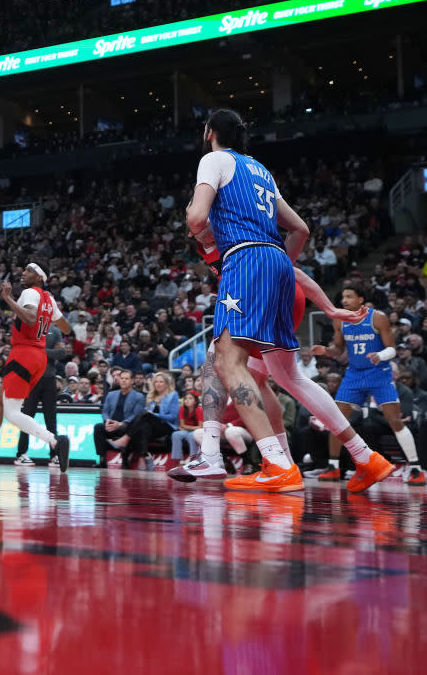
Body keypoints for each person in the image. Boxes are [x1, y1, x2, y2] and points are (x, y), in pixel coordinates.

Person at [185, 108, 391, 493]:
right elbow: (300, 228)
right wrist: (293, 281)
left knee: (228, 363)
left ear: (210, 132)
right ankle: (365, 457)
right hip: (279, 268)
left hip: (250, 265)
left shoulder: (213, 160)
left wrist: (197, 224)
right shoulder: (261, 170)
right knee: (284, 376)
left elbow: (197, 217)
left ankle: (272, 463)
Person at [309, 284, 424, 485]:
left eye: (349, 296)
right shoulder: (340, 320)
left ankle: (415, 468)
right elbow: (338, 349)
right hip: (354, 374)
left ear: (360, 299)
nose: (344, 300)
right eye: (343, 296)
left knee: (394, 420)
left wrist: (380, 355)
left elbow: (392, 349)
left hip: (379, 374)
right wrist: (326, 351)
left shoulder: (377, 317)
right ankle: (333, 467)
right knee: (336, 420)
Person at [0, 263, 72, 469]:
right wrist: (47, 322)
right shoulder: (48, 299)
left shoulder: (30, 293)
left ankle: (54, 441)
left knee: (12, 412)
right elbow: (66, 327)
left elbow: (29, 318)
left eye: (29, 270)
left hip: (23, 354)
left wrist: (7, 299)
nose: (23, 273)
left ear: (40, 276)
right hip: (38, 357)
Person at [93, 371, 145, 467]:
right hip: (111, 424)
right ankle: (102, 459)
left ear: (132, 381)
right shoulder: (111, 395)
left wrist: (120, 424)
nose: (124, 381)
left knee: (131, 429)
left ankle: (125, 460)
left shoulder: (139, 396)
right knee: (98, 427)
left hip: (127, 426)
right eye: (122, 378)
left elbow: (136, 415)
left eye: (126, 378)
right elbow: (105, 411)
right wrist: (107, 420)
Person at [170, 391, 202, 462]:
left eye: (190, 398)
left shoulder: (199, 409)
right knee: (175, 434)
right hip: (187, 430)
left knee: (191, 436)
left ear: (196, 401)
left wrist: (186, 427)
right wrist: (186, 427)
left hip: (196, 431)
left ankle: (194, 459)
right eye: (185, 399)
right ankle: (179, 460)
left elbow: (200, 426)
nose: (187, 400)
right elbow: (181, 425)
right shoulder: (182, 408)